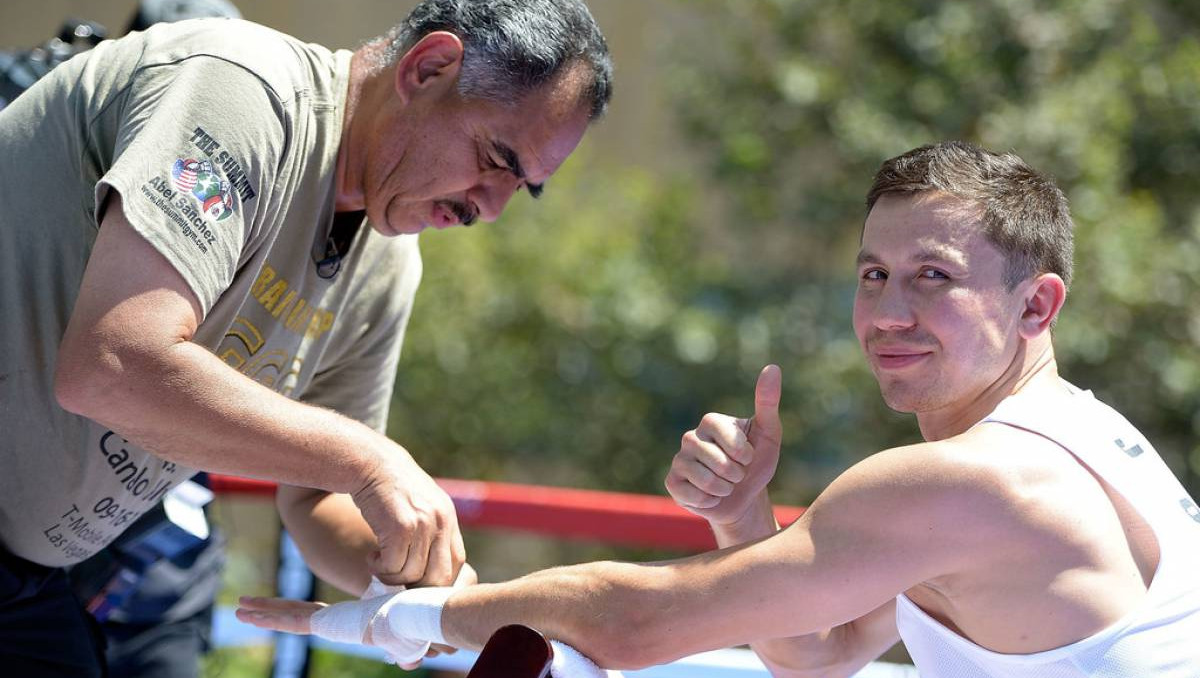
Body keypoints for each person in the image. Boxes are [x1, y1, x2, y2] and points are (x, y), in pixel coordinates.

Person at [239, 142, 1200, 677]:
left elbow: (637, 623)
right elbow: (819, 657)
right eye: (874, 273)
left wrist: (399, 622)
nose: (889, 312)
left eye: (933, 278)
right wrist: (744, 520)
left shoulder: (975, 479)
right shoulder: (1091, 439)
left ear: (1035, 306)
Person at [0, 0, 612, 674]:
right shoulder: (242, 91)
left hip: (30, 578)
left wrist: (429, 594)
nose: (489, 209)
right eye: (496, 159)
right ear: (428, 68)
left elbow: (317, 497)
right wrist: (366, 458)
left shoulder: (386, 260)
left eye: (520, 189)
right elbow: (112, 363)